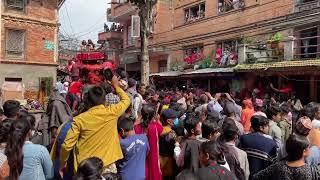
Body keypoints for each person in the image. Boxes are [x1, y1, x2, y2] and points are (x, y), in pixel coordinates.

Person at [59, 76, 130, 175]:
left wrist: (63, 163)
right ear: (104, 100)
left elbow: (67, 146)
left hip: (86, 168)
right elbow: (126, 100)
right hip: (107, 166)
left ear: (87, 101)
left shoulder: (80, 119)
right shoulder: (112, 112)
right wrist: (116, 86)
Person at [253, 134, 319, 180]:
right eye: (308, 147)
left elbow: (256, 177)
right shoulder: (309, 170)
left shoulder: (278, 166)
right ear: (304, 151)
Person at [134, 104, 163, 180]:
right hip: (152, 156)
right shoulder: (155, 126)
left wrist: (136, 122)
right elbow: (161, 129)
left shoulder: (136, 127)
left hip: (140, 157)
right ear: (153, 115)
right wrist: (158, 120)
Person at [159, 109, 178, 178]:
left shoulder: (159, 129)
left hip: (159, 161)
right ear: (168, 121)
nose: (176, 120)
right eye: (175, 118)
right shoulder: (171, 134)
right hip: (167, 163)